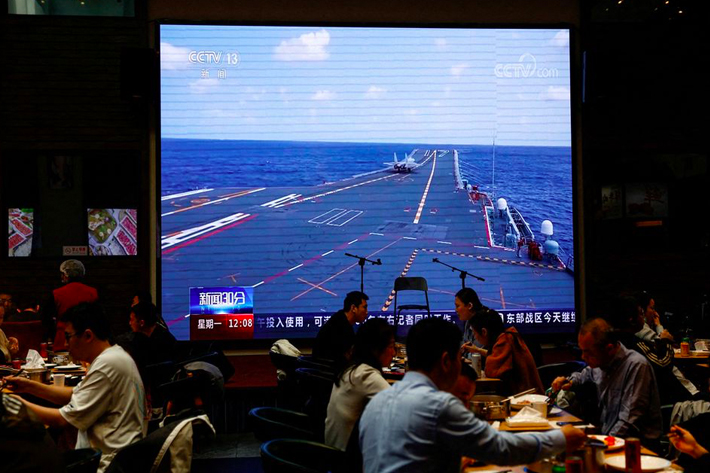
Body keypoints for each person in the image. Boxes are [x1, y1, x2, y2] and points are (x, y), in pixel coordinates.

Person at [359, 318, 586, 473]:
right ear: (446, 361)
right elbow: (501, 449)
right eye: (460, 358)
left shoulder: (376, 404)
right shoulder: (438, 405)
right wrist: (561, 438)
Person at [5, 302, 146, 472]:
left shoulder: (108, 364)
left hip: (108, 464)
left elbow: (62, 419)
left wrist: (11, 403)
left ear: (87, 335)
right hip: (115, 456)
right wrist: (29, 386)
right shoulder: (114, 356)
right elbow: (75, 394)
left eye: (68, 336)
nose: (65, 344)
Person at [551, 318, 662, 445]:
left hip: (638, 447)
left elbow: (628, 422)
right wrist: (569, 381)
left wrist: (601, 445)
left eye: (587, 352)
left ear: (609, 349)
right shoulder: (601, 361)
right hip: (610, 439)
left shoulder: (636, 366)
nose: (583, 357)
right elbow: (585, 374)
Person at [605, 296, 698, 404]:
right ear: (631, 320)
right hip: (668, 404)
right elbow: (662, 364)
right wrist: (666, 342)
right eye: (641, 314)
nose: (643, 318)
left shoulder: (618, 341)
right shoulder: (634, 343)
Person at [325, 318, 395, 451]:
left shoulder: (352, 369)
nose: (393, 353)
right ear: (375, 348)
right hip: (345, 460)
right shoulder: (365, 375)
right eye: (391, 346)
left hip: (333, 451)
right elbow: (400, 410)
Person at [469, 309, 544, 395]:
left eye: (474, 333)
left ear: (484, 332)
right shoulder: (508, 336)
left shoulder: (504, 341)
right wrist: (477, 350)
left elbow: (491, 371)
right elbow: (494, 355)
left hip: (525, 399)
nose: (475, 337)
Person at [313, 291, 369, 371]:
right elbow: (350, 356)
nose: (367, 312)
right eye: (364, 307)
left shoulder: (341, 319)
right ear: (353, 308)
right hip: (329, 375)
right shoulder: (339, 326)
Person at [51, 259, 99, 350]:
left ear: (65, 275)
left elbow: (47, 319)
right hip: (87, 340)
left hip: (63, 340)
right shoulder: (93, 292)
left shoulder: (56, 293)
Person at [454, 287, 486, 355]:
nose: (456, 310)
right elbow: (464, 345)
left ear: (469, 306)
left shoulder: (484, 322)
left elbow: (477, 354)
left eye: (457, 306)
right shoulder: (469, 320)